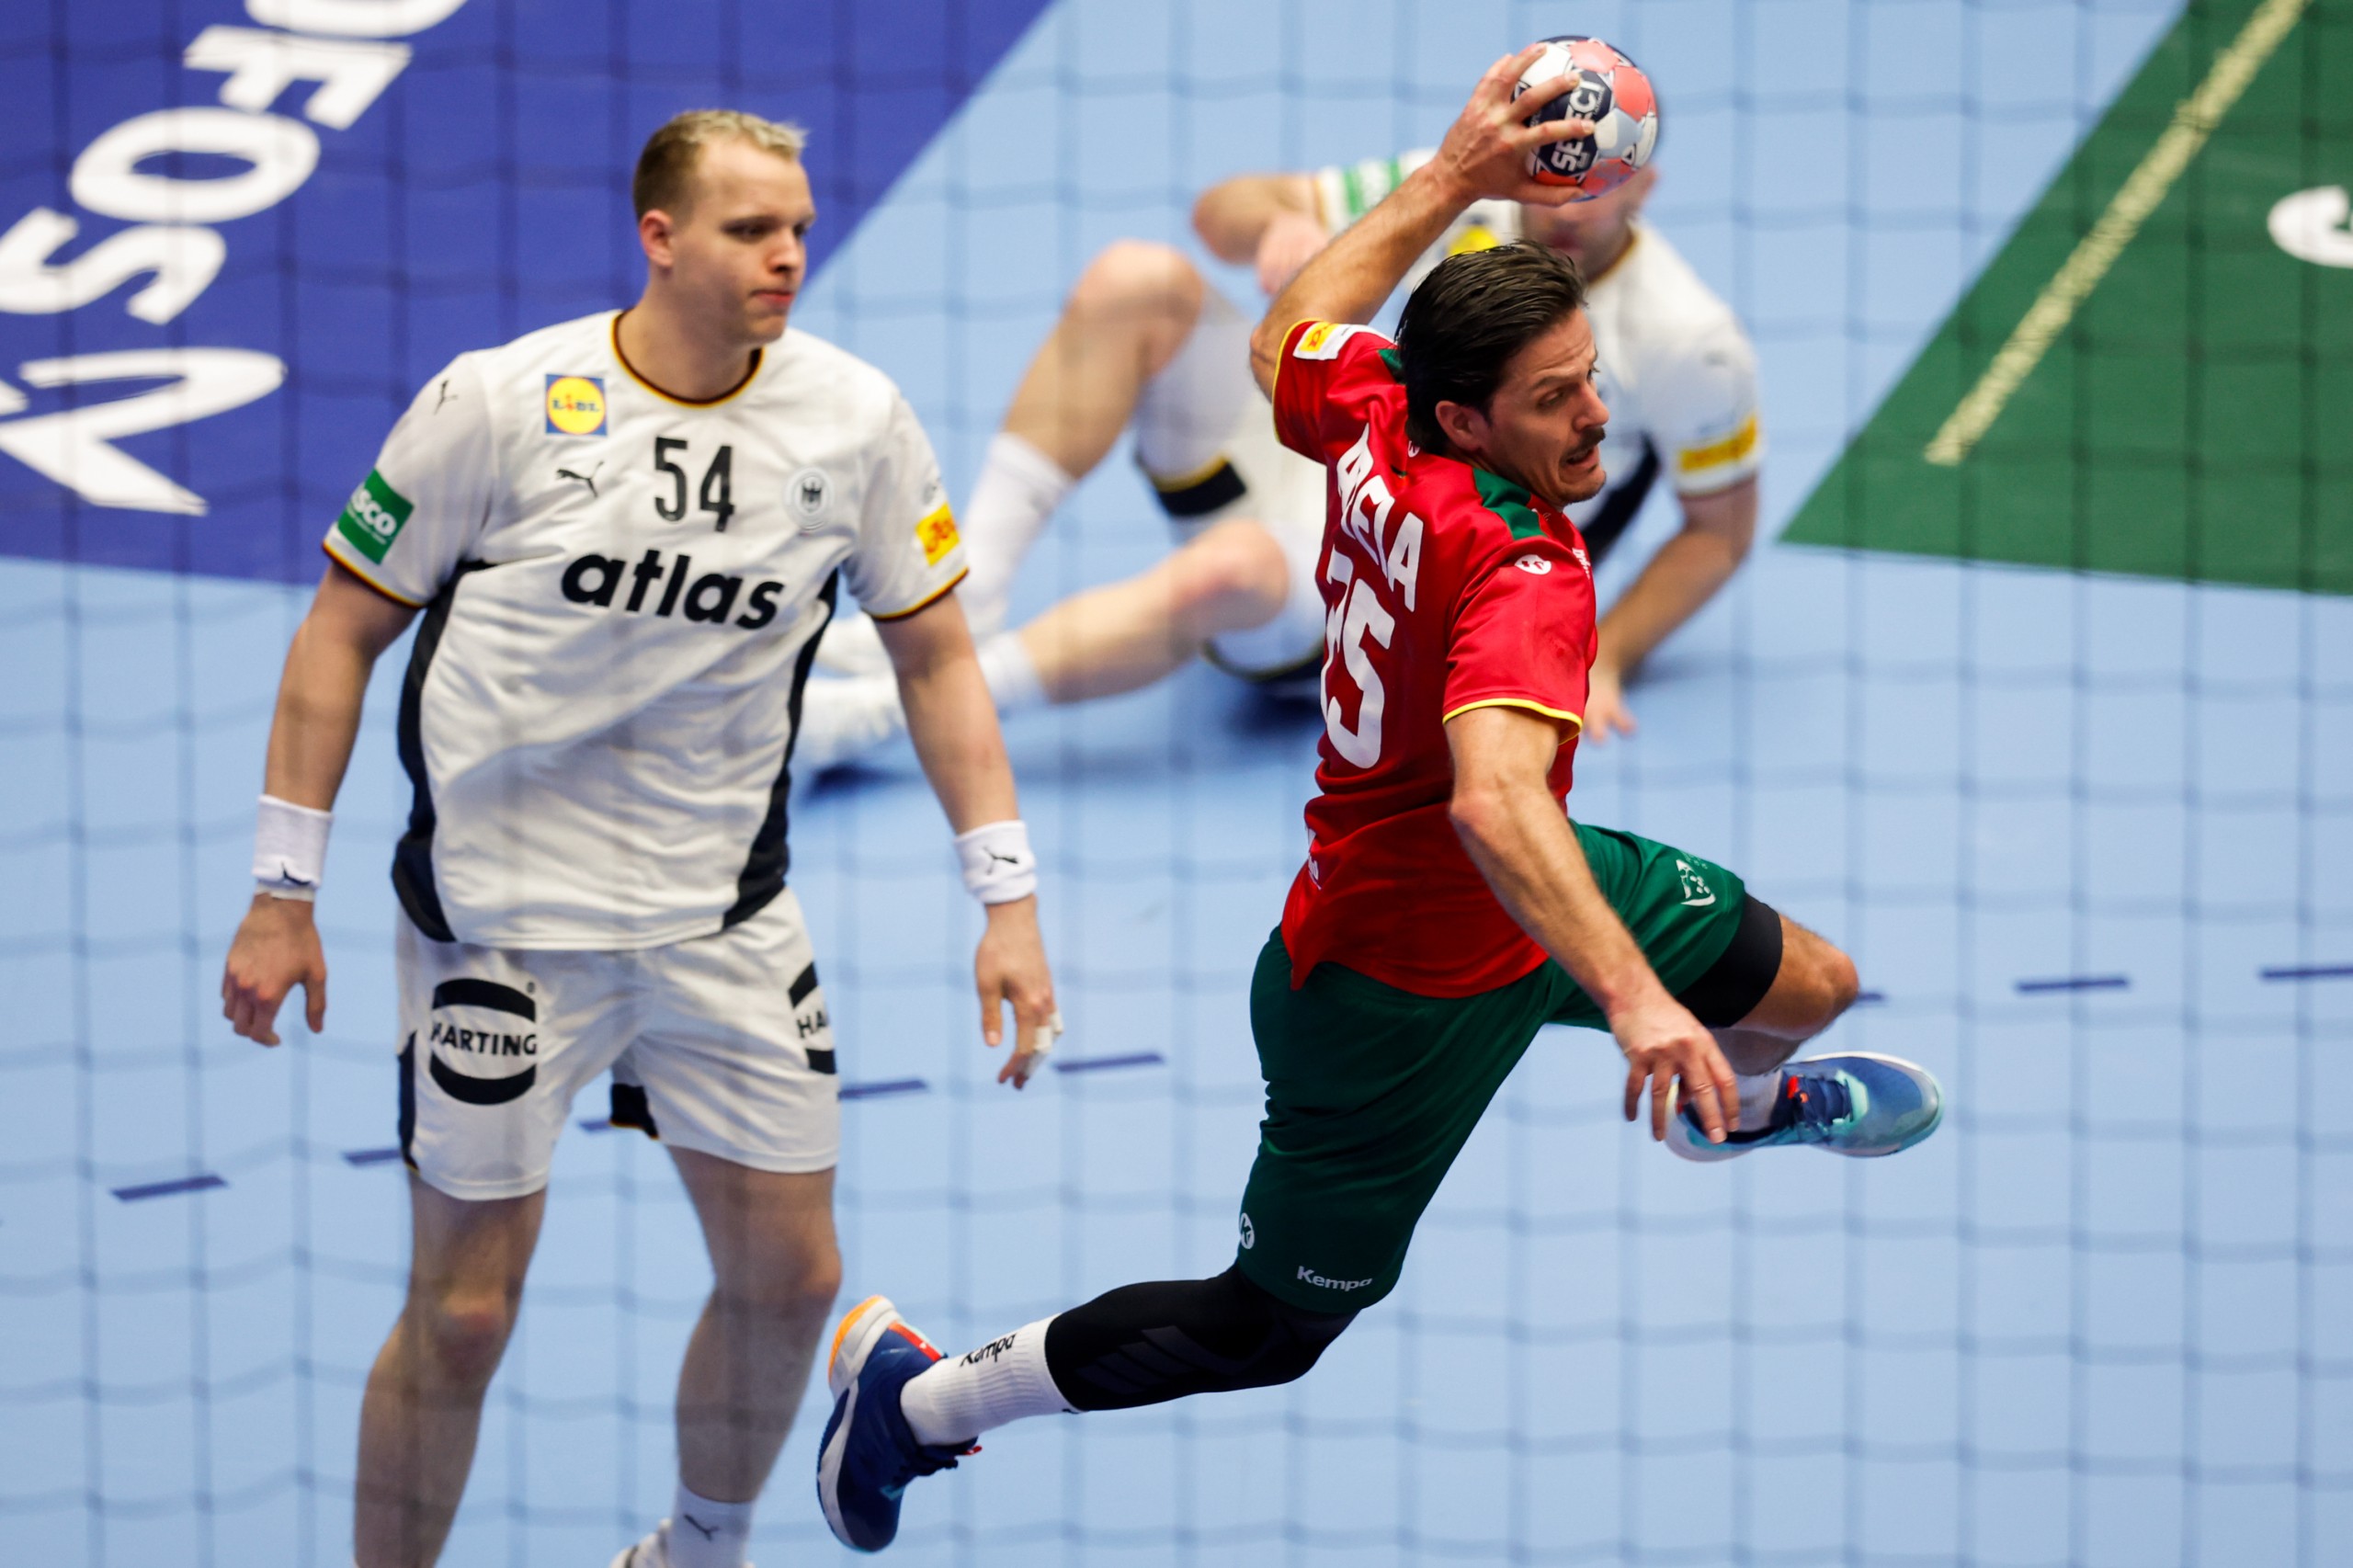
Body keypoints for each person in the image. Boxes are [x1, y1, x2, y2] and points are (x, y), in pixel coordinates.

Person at [809, 52, 1942, 1554]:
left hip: (1540, 889)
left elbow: (1287, 328)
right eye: (1555, 401)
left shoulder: (1376, 412)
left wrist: (1454, 175)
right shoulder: (1525, 572)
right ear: (1466, 419)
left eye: (1592, 378)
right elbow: (1493, 801)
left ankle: (1716, 1119)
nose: (1597, 422)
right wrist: (1633, 998)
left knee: (1813, 986)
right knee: (1265, 1329)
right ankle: (918, 1398)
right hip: (1389, 986)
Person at [217, 110, 1061, 1568]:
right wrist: (280, 893)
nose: (787, 255)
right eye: (751, 229)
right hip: (503, 931)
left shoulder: (854, 421)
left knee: (792, 1277)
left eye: (798, 228)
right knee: (464, 1312)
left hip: (722, 921)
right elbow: (339, 631)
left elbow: (934, 658)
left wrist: (1008, 895)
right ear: (658, 238)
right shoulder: (496, 404)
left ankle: (696, 1552)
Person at [794, 62, 1760, 767]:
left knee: (1231, 567)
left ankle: (891, 712)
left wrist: (1608, 651)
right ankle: (966, 600)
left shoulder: (1687, 338)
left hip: (1399, 587)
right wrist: (1279, 223)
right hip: (1319, 454)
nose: (1571, 201)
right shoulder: (1456, 190)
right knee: (1135, 281)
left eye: (1600, 176)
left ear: (1645, 180)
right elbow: (1223, 212)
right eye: (1552, 165)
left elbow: (1720, 529)